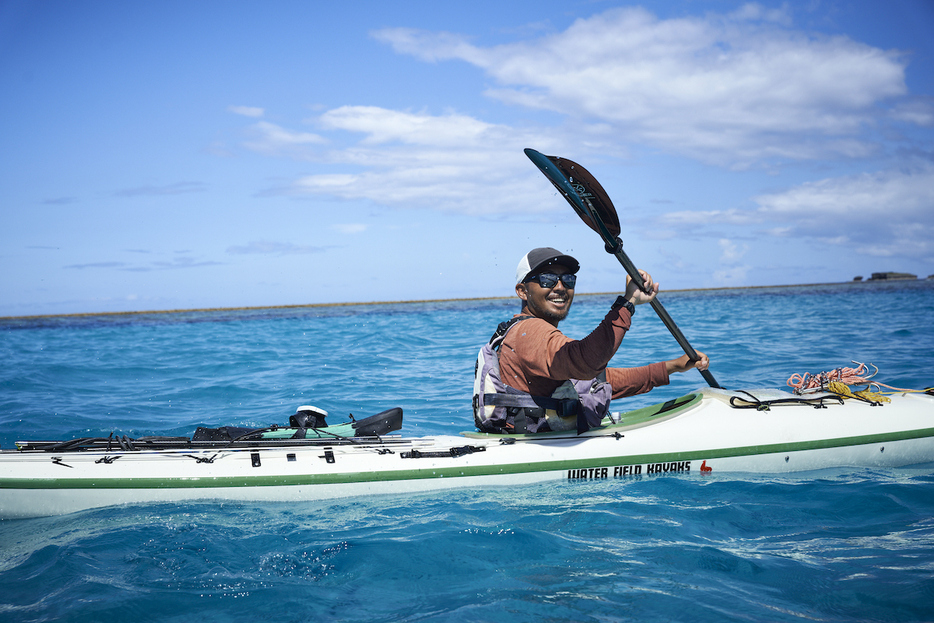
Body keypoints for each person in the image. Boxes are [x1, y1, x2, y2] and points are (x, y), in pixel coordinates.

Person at [473, 247, 709, 434]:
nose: (560, 287)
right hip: (535, 455)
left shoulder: (525, 333)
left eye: (568, 280)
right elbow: (586, 363)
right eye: (546, 279)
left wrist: (673, 367)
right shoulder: (530, 332)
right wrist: (627, 304)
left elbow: (597, 379)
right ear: (522, 291)